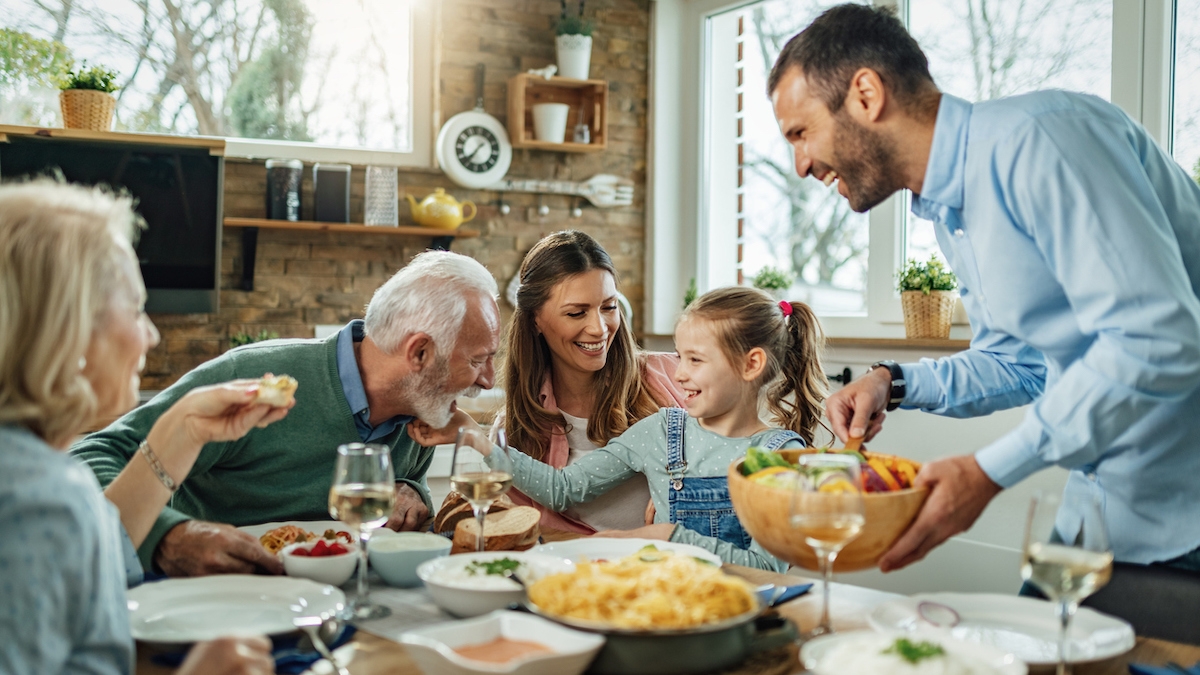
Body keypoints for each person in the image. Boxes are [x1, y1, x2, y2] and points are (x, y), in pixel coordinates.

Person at [768, 4, 1200, 572]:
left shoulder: (1044, 139)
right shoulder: (952, 210)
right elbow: (1022, 365)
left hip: (1185, 520)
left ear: (866, 95)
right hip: (1103, 516)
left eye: (801, 133)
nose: (800, 165)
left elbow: (1157, 339)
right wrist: (892, 381)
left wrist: (989, 471)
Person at [72, 249, 500, 577]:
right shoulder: (254, 377)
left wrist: (412, 493)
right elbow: (90, 458)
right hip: (209, 601)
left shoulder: (423, 410)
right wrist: (167, 536)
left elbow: (407, 498)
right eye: (479, 359)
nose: (487, 380)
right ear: (419, 352)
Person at [0, 180, 281, 674]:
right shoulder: (36, 500)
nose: (150, 333)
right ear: (69, 330)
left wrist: (184, 428)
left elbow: (97, 555)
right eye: (135, 308)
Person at [417, 287, 829, 570]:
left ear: (751, 364)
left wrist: (669, 536)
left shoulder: (778, 456)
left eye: (696, 361)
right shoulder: (661, 431)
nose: (680, 374)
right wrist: (476, 438)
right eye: (680, 357)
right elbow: (564, 489)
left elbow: (767, 567)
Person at [494, 230, 686, 534]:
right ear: (535, 320)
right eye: (576, 313)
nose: (599, 328)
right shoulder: (515, 431)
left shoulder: (676, 377)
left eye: (609, 307)